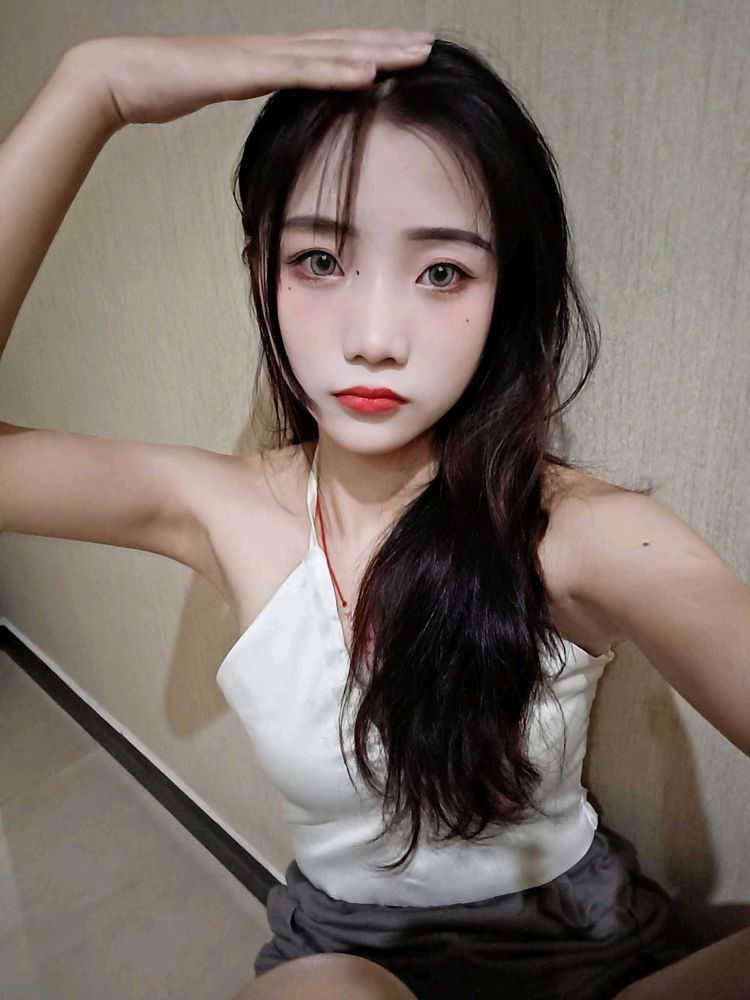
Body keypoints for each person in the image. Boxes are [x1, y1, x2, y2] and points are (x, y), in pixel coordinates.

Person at [0, 26, 747, 1000]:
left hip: (580, 948)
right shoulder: (225, 510)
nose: (374, 337)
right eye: (319, 260)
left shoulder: (580, 533)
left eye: (441, 272)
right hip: (343, 952)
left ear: (505, 293)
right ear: (261, 269)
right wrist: (95, 88)